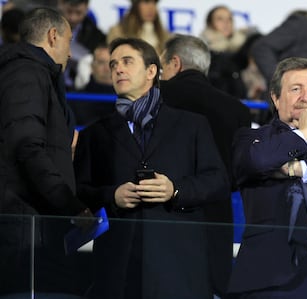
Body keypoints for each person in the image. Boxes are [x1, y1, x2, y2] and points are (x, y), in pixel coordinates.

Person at [73, 37, 230, 299]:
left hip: (179, 266)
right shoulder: (95, 133)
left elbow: (217, 181)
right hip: (118, 269)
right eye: (113, 65)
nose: (118, 69)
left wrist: (175, 189)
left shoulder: (192, 125)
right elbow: (80, 190)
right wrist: (112, 196)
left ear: (151, 71)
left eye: (127, 62)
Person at [227, 57, 307, 298]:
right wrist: (304, 132)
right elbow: (257, 162)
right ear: (275, 98)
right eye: (296, 89)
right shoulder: (251, 139)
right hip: (273, 277)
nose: (306, 97)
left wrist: (300, 169)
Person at [0, 7, 93, 296]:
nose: (69, 53)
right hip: (24, 227)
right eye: (68, 41)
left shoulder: (33, 74)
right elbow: (26, 147)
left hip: (33, 223)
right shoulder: (25, 73)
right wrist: (71, 205)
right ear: (53, 36)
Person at [159, 33, 251, 298]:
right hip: (216, 221)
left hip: (162, 220)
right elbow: (236, 176)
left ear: (175, 63)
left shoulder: (154, 98)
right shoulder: (238, 111)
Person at [58, 0, 106, 90]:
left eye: (78, 12)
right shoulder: (45, 30)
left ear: (87, 8)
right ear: (61, 4)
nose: (73, 18)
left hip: (82, 92)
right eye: (69, 11)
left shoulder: (97, 37)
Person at [70, 43, 115, 127]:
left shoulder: (130, 103)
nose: (107, 69)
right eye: (101, 62)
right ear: (92, 66)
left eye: (111, 63)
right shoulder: (74, 101)